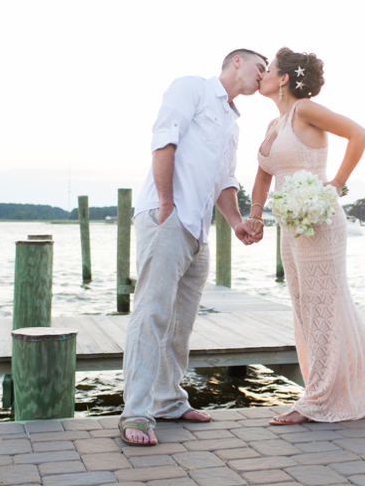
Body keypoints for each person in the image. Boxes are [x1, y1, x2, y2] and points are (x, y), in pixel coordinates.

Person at [120, 49, 268, 446]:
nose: (264, 75)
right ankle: (136, 411)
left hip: (198, 229)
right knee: (151, 313)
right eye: (260, 67)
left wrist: (236, 222)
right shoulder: (193, 89)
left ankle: (168, 401)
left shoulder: (234, 120)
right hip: (167, 217)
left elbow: (225, 179)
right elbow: (163, 140)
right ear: (236, 62)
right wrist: (166, 202)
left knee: (181, 322)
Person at [246, 47, 365, 424]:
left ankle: (317, 399)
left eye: (268, 70)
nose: (261, 75)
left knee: (324, 306)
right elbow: (264, 175)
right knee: (304, 306)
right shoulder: (273, 126)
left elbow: (359, 134)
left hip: (320, 220)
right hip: (291, 225)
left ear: (283, 80)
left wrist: (335, 185)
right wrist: (255, 215)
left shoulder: (306, 110)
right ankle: (329, 389)